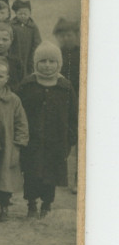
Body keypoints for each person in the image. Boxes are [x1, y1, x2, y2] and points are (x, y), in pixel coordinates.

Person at [16, 43, 78, 219]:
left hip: (56, 141)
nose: (47, 65)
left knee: (51, 174)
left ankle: (47, 204)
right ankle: (31, 204)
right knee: (31, 172)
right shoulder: (27, 85)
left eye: (52, 61)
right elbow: (17, 111)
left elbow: (73, 115)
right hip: (32, 140)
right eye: (43, 61)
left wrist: (70, 138)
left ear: (59, 63)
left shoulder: (65, 87)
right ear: (36, 63)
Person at [0, 57, 29, 222]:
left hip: (6, 145)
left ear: (6, 78)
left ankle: (4, 206)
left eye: (0, 76)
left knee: (5, 177)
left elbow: (21, 123)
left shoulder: (13, 100)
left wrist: (19, 143)